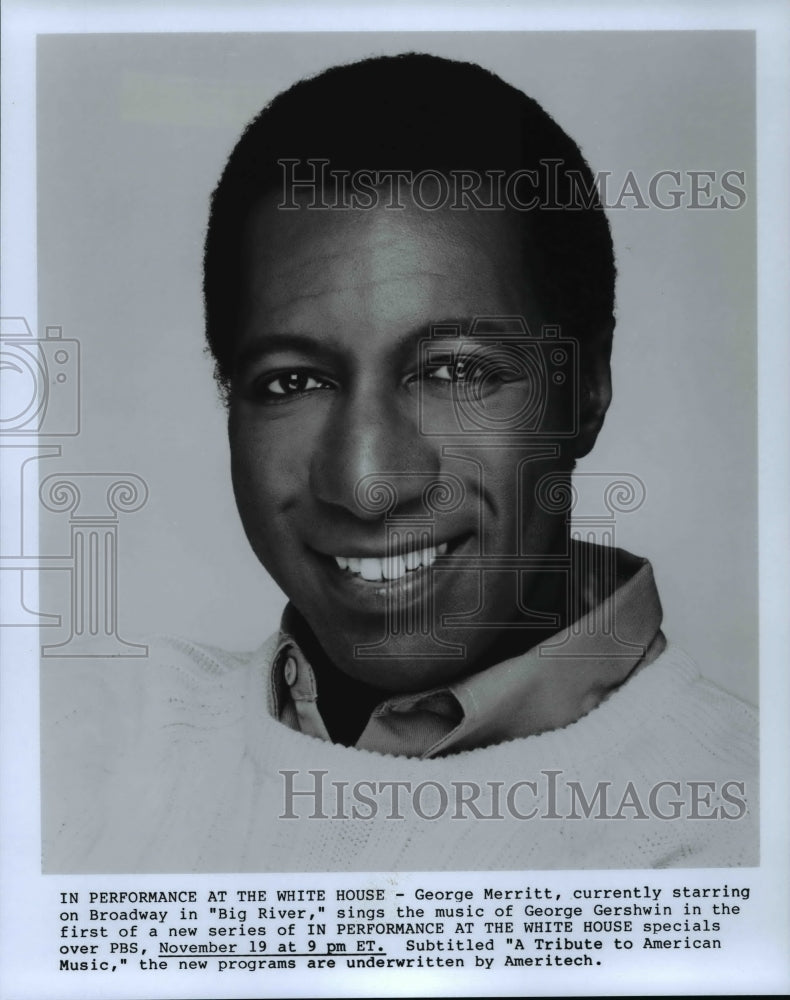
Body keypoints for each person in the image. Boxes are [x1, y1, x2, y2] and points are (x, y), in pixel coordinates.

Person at [43, 53, 757, 873]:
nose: (365, 481)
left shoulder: (739, 830)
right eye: (293, 380)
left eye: (455, 371)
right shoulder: (77, 756)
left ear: (586, 388)